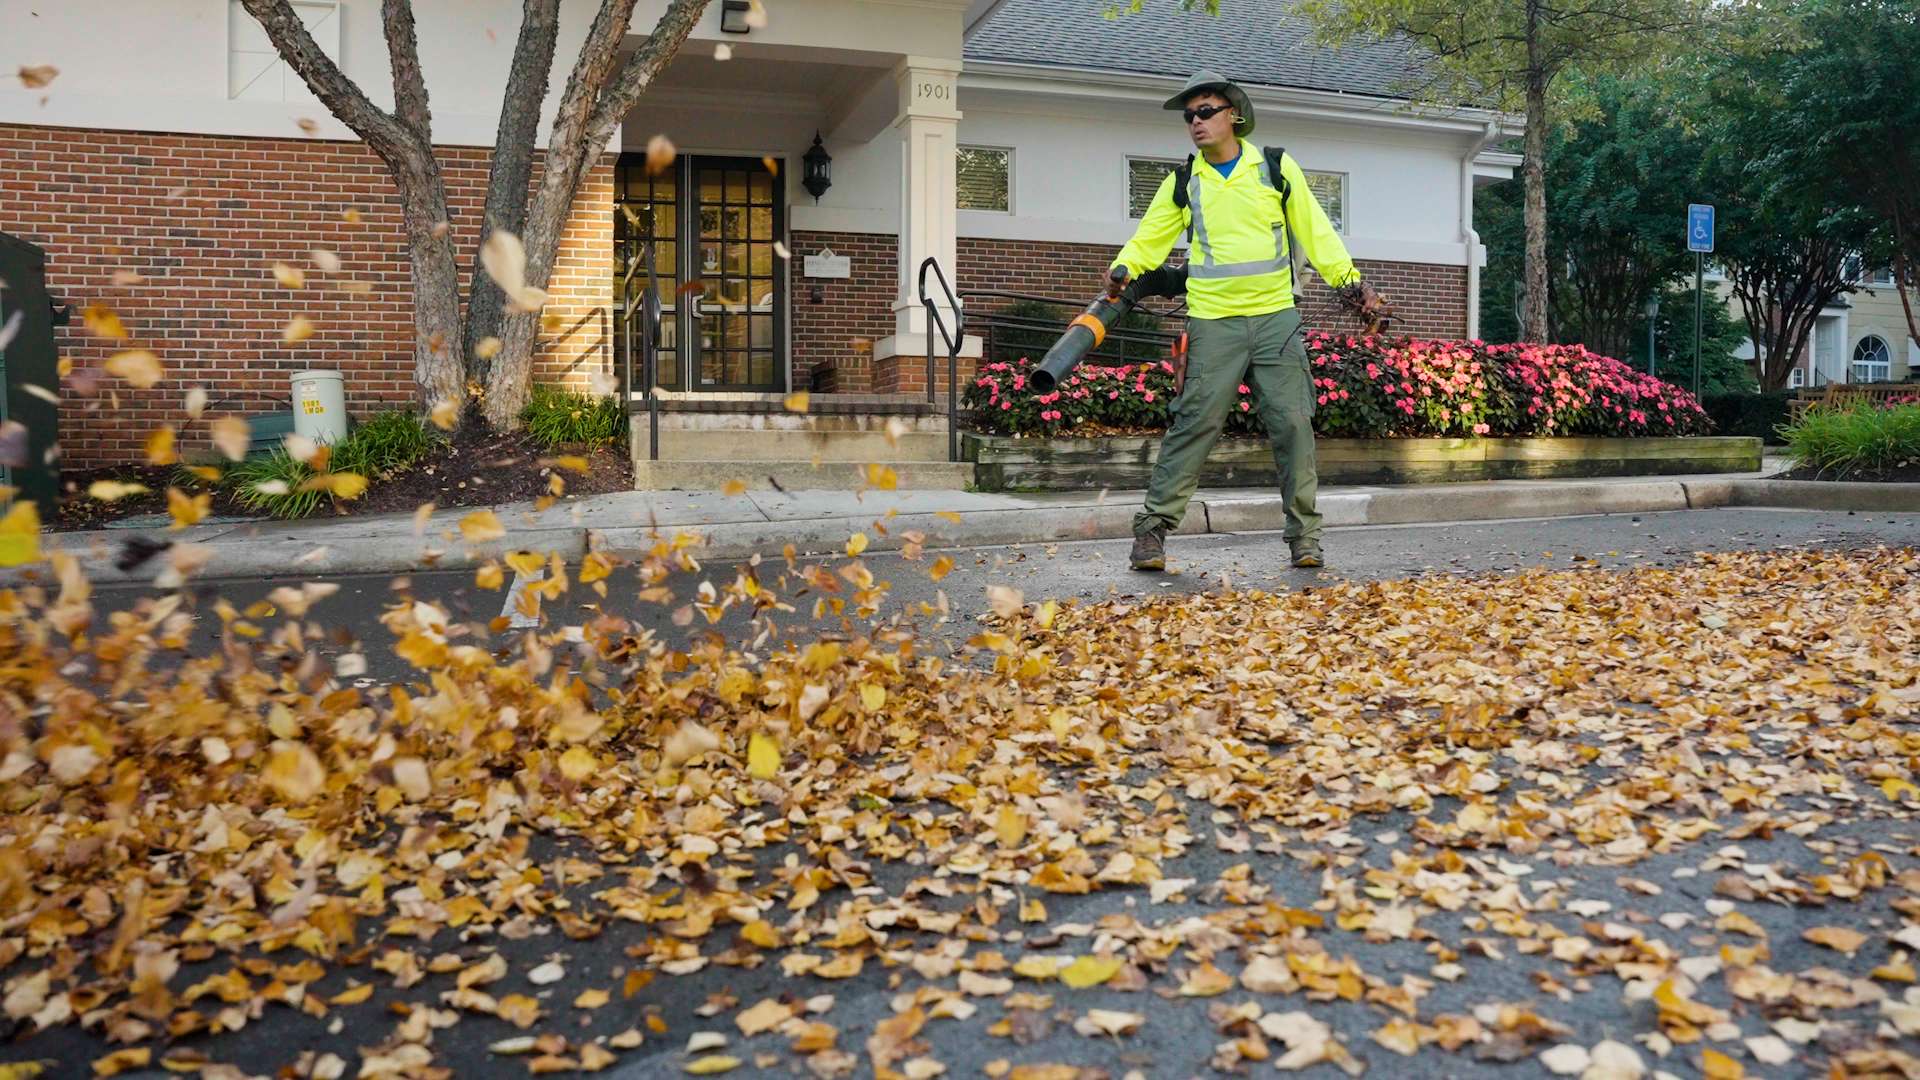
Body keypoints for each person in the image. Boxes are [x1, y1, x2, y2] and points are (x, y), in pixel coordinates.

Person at [1111, 70, 1384, 571]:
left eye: (1206, 111)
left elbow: (1317, 233)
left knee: (1294, 424)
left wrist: (1352, 284)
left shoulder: (1275, 168)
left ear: (1233, 114)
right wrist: (1124, 269)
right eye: (1190, 115)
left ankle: (1305, 537)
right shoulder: (1182, 182)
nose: (1196, 122)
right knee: (1195, 424)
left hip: (1276, 319)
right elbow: (1148, 240)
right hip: (1214, 321)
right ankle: (1151, 533)